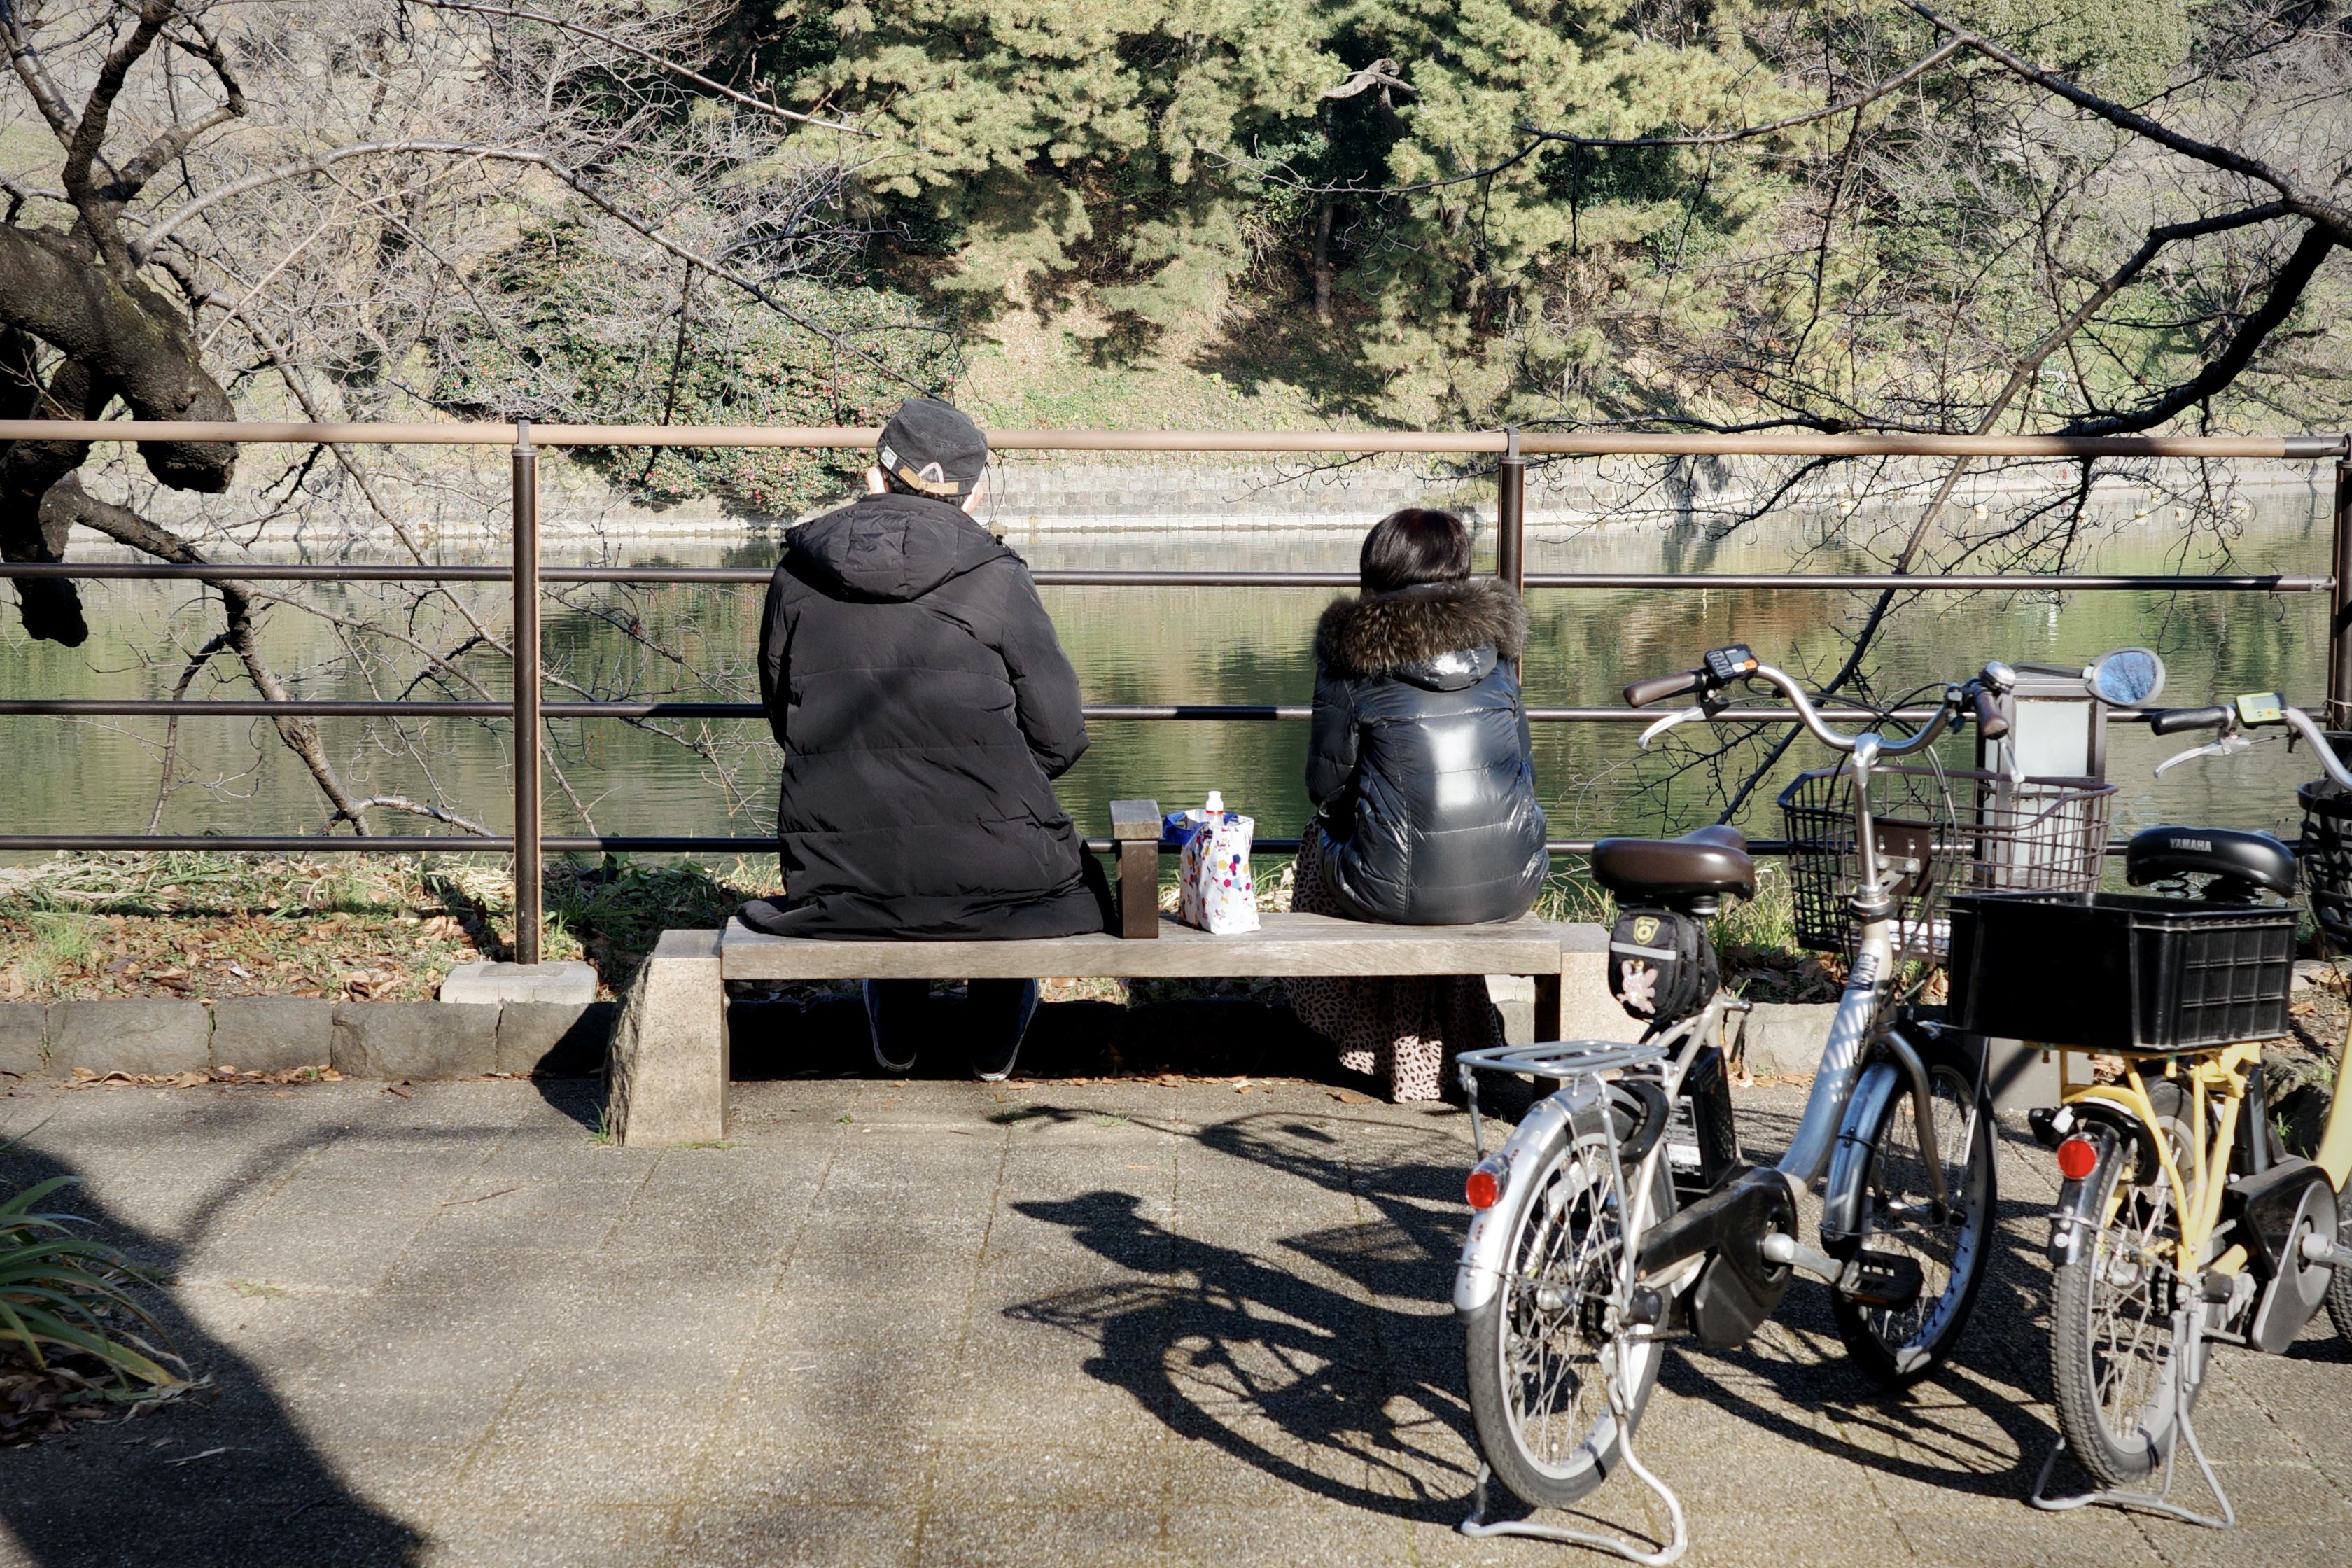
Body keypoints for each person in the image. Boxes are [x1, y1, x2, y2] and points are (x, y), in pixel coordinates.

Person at [738, 398, 1107, 1079]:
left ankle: (898, 1028)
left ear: (875, 476)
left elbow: (787, 721)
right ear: (974, 495)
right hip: (995, 865)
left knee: (893, 859)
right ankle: (993, 1039)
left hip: (841, 864)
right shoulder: (997, 576)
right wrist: (989, 775)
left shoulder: (797, 572)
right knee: (1010, 873)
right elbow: (1060, 737)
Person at [1286, 507, 1548, 1101]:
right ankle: (1446, 1045)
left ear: (1378, 567)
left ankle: (1372, 1043)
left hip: (1396, 891)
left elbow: (1326, 789)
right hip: (1513, 881)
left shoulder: (1350, 655)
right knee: (1422, 858)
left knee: (1329, 840)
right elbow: (1523, 771)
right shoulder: (1495, 650)